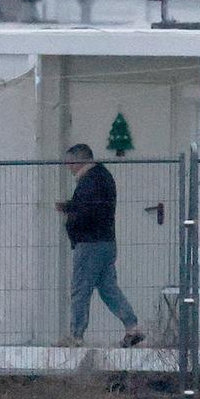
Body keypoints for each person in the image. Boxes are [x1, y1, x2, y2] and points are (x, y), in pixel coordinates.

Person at [56, 143, 144, 347]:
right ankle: (133, 327)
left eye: (69, 163)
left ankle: (75, 336)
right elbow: (93, 206)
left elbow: (86, 212)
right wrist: (70, 206)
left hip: (90, 243)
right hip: (106, 242)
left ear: (78, 161)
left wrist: (71, 217)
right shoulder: (102, 176)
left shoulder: (89, 181)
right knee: (108, 288)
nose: (68, 167)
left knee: (80, 289)